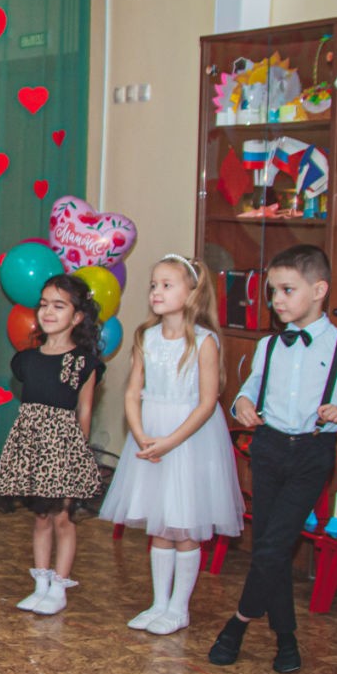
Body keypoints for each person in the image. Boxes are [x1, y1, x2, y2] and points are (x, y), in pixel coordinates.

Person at [211, 245, 337, 674]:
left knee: (273, 546)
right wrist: (242, 404)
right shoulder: (269, 345)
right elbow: (249, 388)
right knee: (270, 547)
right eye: (273, 291)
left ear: (319, 290)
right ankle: (287, 641)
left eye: (287, 290)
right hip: (268, 448)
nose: (277, 300)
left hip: (312, 453)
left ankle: (237, 624)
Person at [98, 255, 245, 635]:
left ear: (191, 293)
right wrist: (140, 433)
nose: (156, 292)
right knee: (160, 525)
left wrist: (170, 441)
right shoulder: (145, 337)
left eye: (167, 285)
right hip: (152, 437)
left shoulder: (204, 342)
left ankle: (179, 609)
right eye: (153, 285)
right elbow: (132, 393)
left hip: (189, 441)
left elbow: (207, 403)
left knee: (184, 526)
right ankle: (159, 603)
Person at [0, 274, 104, 616]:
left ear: (77, 316)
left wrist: (78, 453)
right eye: (43, 305)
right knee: (41, 517)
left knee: (62, 518)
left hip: (64, 448)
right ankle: (40, 585)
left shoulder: (83, 363)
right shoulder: (26, 360)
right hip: (33, 446)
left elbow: (84, 410)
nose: (48, 312)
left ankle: (59, 587)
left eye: (59, 306)